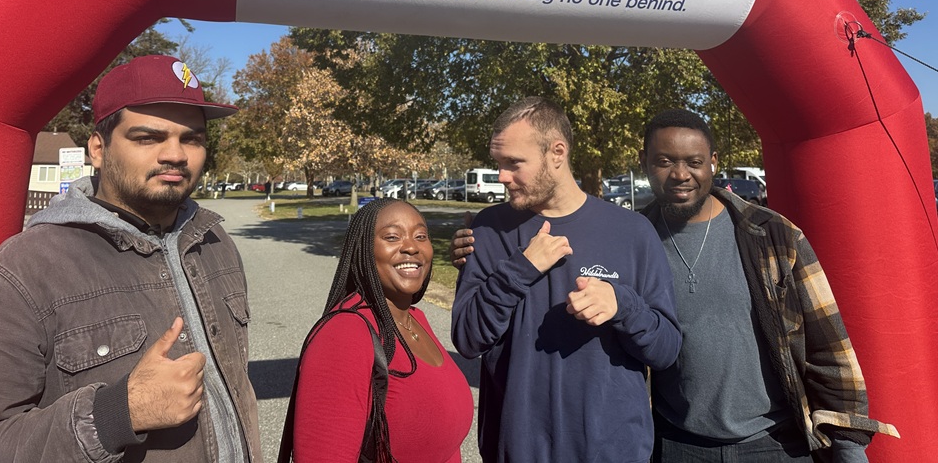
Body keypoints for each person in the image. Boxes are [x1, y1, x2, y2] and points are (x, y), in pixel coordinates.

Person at [0, 55, 262, 462]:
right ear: (97, 148)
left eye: (192, 138)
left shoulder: (215, 241)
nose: (176, 154)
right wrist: (114, 415)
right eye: (148, 137)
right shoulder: (26, 268)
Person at [637, 108, 897, 462]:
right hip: (676, 444)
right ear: (645, 162)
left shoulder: (773, 236)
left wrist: (848, 444)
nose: (681, 175)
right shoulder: (632, 242)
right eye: (665, 161)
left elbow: (826, 342)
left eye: (694, 162)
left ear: (713, 162)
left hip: (775, 443)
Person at [450, 97, 681, 463]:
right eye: (499, 163)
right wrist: (520, 268)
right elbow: (467, 338)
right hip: (516, 450)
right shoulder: (488, 230)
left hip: (614, 452)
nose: (502, 177)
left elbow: (666, 350)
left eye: (514, 163)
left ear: (557, 152)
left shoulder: (632, 232)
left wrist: (623, 305)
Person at [280, 198, 473, 462]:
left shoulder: (416, 319)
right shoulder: (345, 333)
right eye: (392, 237)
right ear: (364, 249)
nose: (411, 248)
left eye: (421, 236)